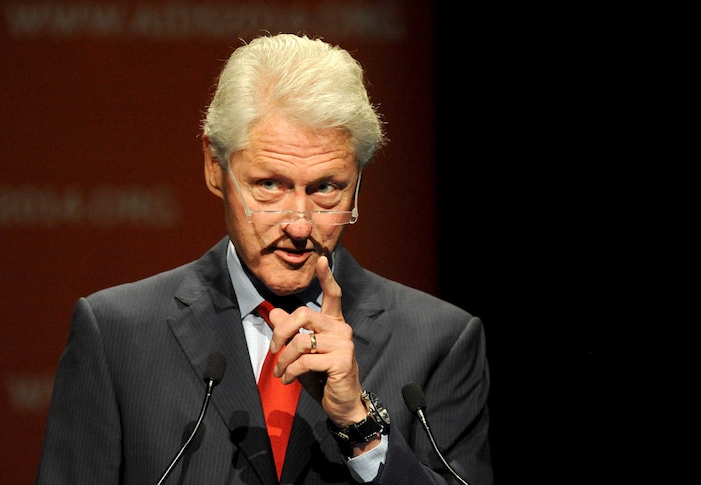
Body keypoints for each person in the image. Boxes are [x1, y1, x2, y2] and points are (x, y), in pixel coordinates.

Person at [36, 33, 493, 485]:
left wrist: (360, 427)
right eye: (270, 185)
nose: (299, 225)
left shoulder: (441, 342)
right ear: (215, 168)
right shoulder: (116, 335)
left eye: (326, 188)